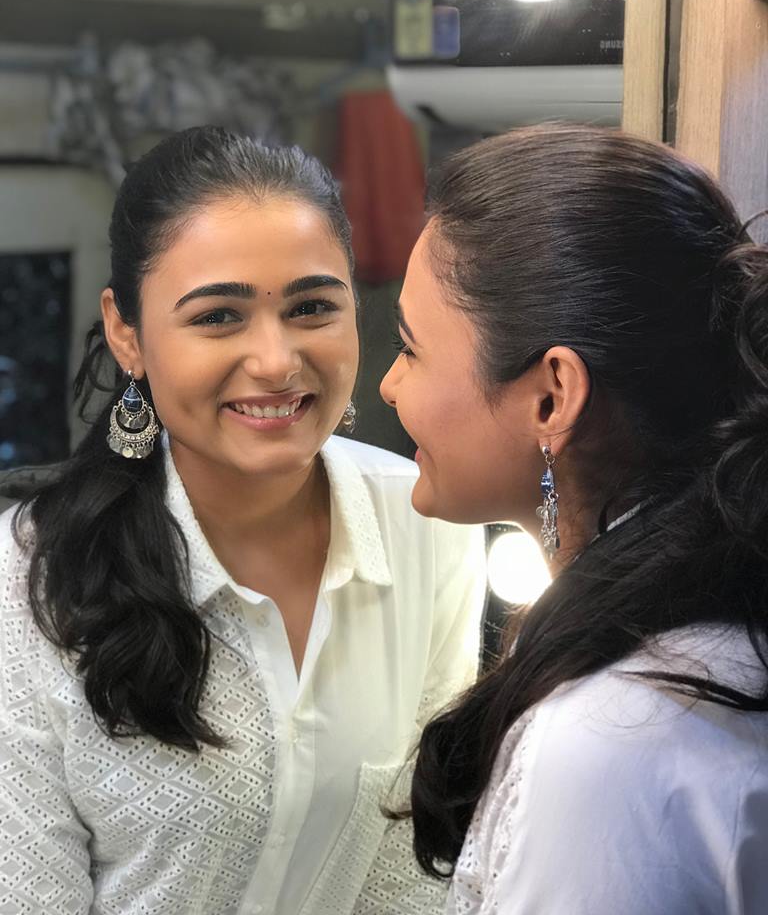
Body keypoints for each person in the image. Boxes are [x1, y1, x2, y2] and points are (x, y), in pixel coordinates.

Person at [0, 126, 486, 915]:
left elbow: (411, 871)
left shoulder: (426, 521)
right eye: (218, 317)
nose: (276, 361)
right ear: (127, 333)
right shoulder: (27, 584)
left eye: (312, 307)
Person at [380, 124, 768, 914]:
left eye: (411, 349)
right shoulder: (702, 630)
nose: (388, 384)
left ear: (552, 397)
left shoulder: (609, 746)